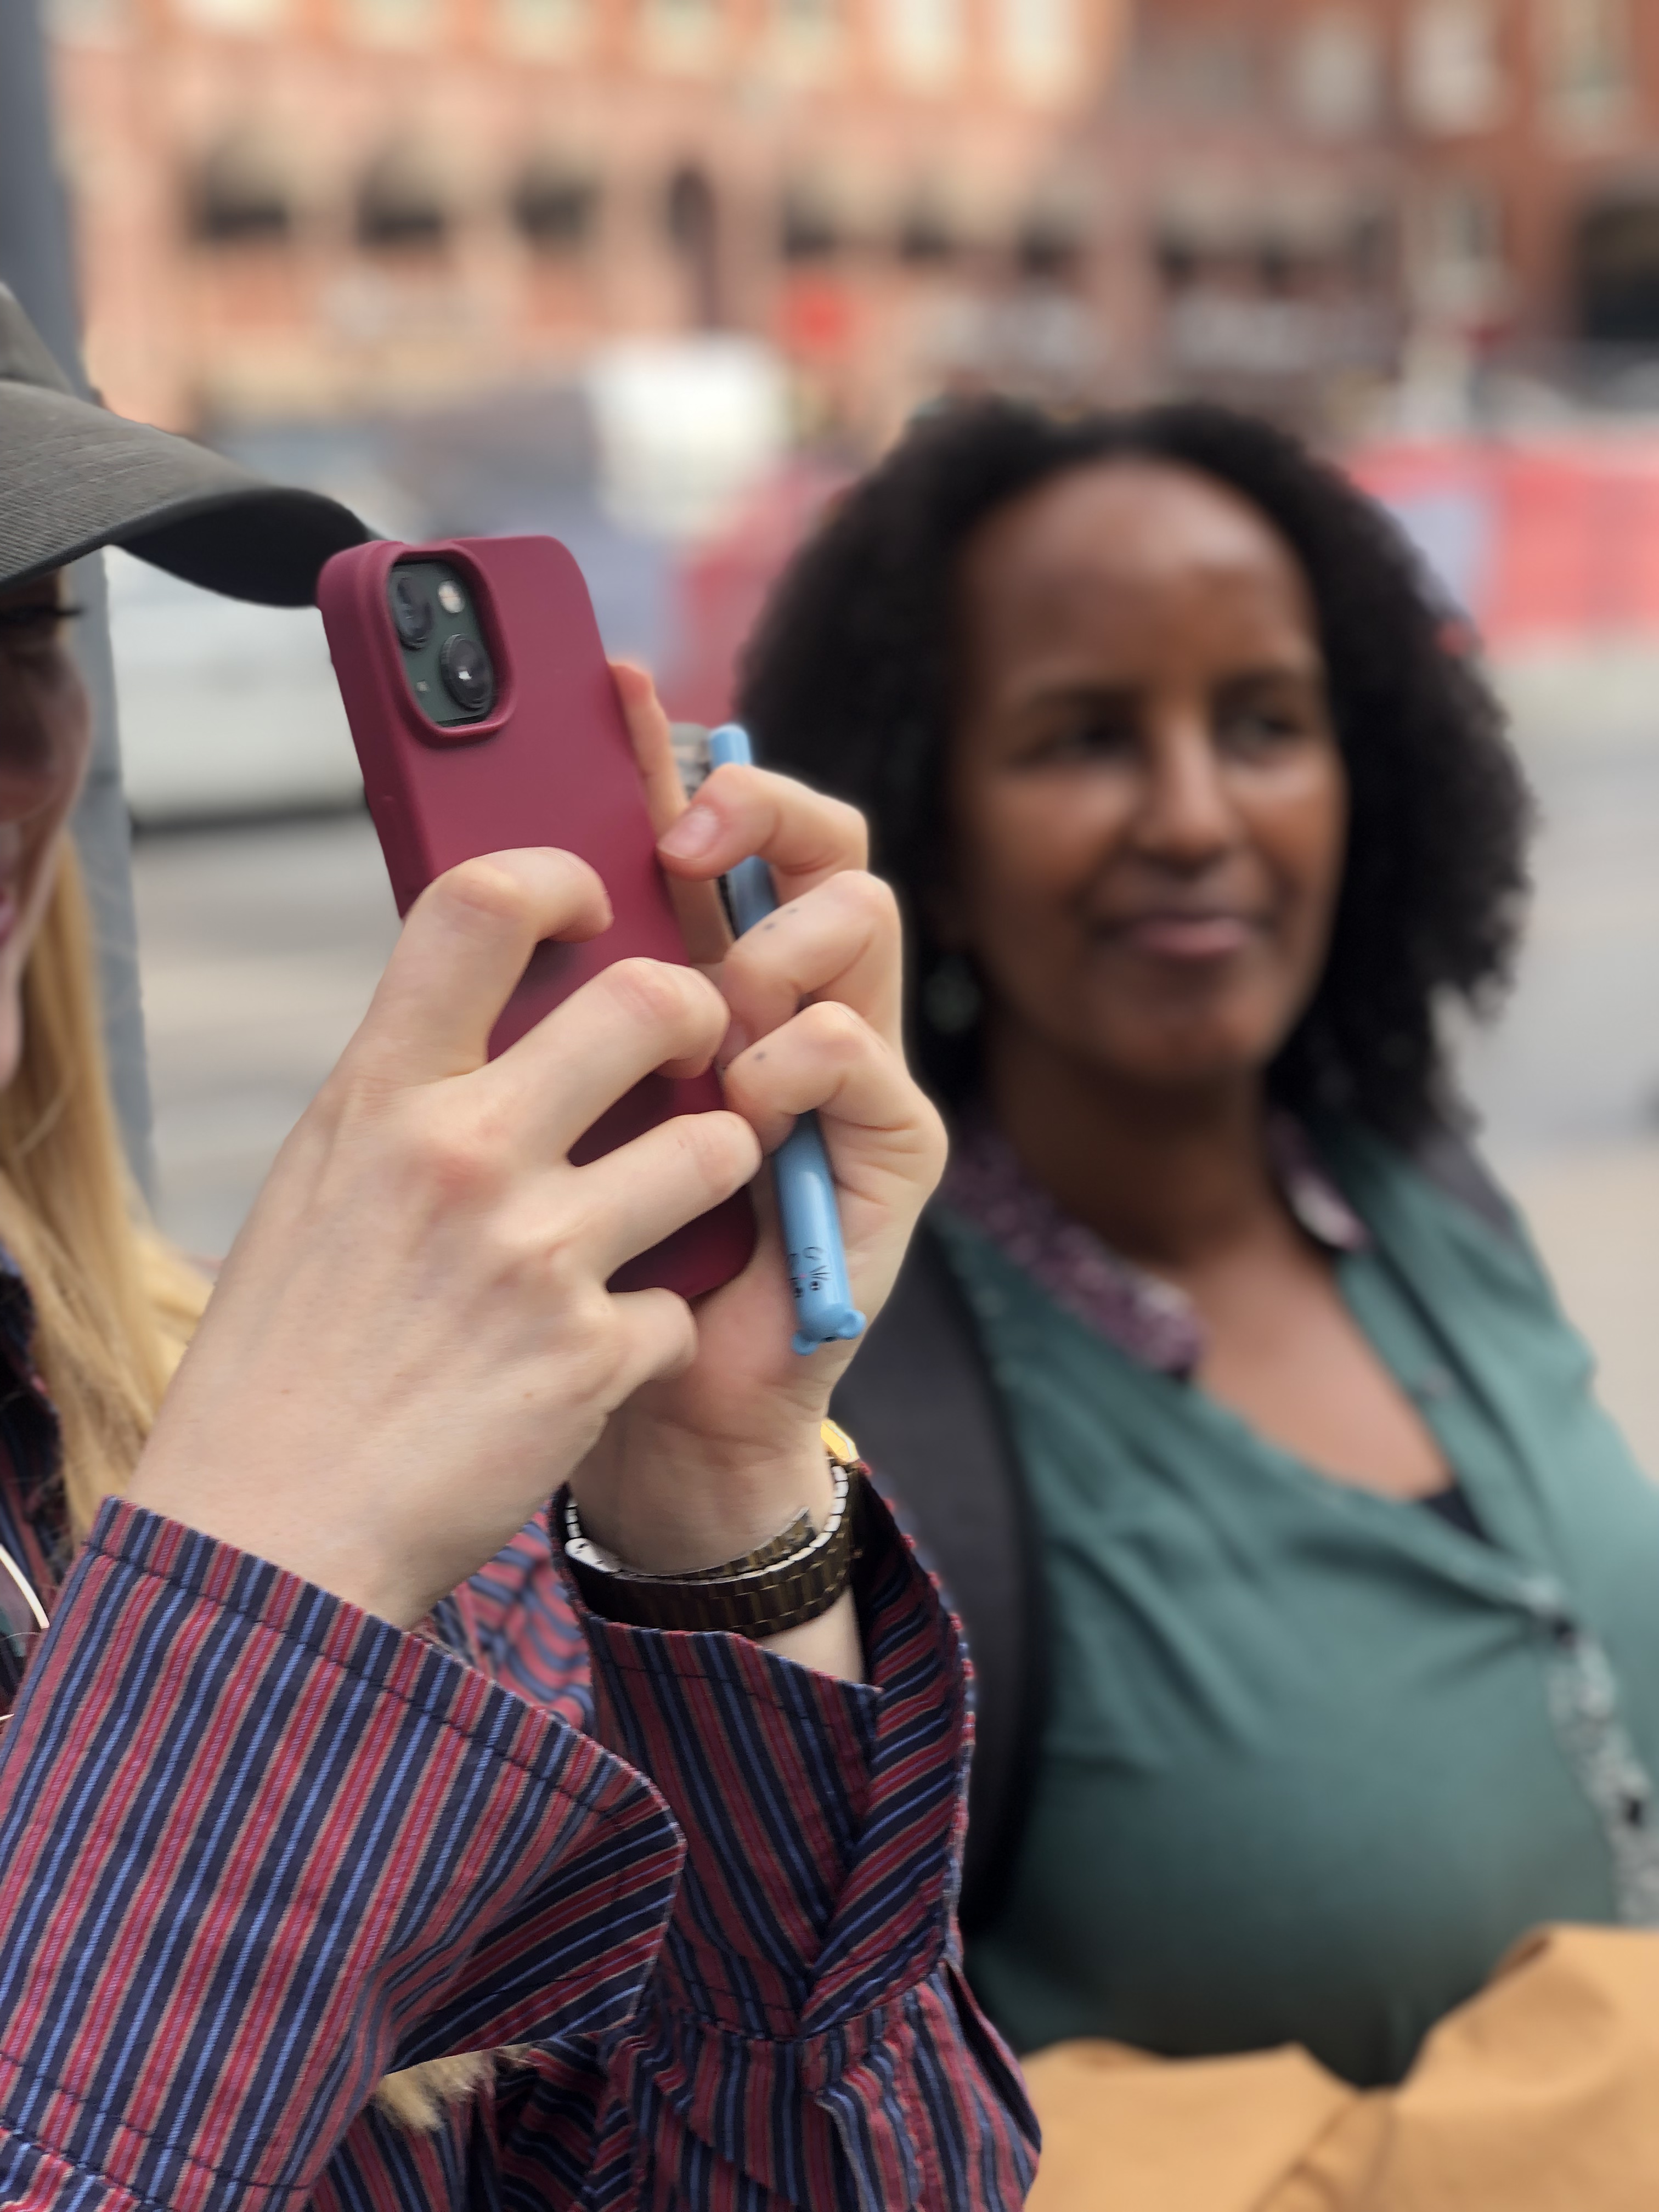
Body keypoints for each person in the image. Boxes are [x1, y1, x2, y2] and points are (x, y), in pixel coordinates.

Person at [0, 289, 1037, 2209]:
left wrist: (718, 1516)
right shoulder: (289, 1492)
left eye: (23, 638)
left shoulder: (245, 1420)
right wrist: (257, 1582)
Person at [741, 394, 1659, 2095]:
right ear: (923, 839)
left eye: (1265, 723)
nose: (1192, 814)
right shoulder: (850, 1434)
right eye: (1084, 737)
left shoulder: (1422, 1194)